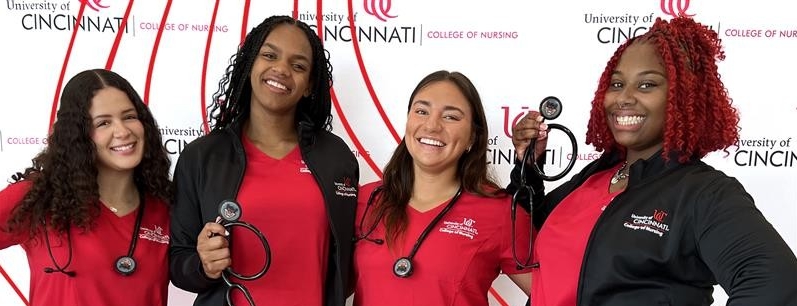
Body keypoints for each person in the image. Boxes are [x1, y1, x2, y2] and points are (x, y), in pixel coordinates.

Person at [508, 16, 797, 306]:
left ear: (683, 97)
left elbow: (775, 281)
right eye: (617, 83)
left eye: (646, 85)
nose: (624, 97)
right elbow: (520, 236)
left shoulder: (702, 192)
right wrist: (528, 165)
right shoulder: (597, 174)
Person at [169, 15, 359, 306]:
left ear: (309, 85)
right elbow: (178, 264)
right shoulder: (202, 156)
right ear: (250, 65)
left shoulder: (336, 157)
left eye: (298, 66)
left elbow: (346, 264)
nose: (281, 69)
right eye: (269, 55)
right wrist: (203, 265)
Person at [352, 70, 531, 306]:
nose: (432, 125)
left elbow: (556, 293)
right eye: (422, 111)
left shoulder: (502, 212)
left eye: (451, 117)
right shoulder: (366, 199)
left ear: (472, 137)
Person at [0, 69, 173, 306]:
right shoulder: (38, 197)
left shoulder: (167, 205)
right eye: (103, 123)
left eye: (130, 116)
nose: (122, 131)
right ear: (78, 135)